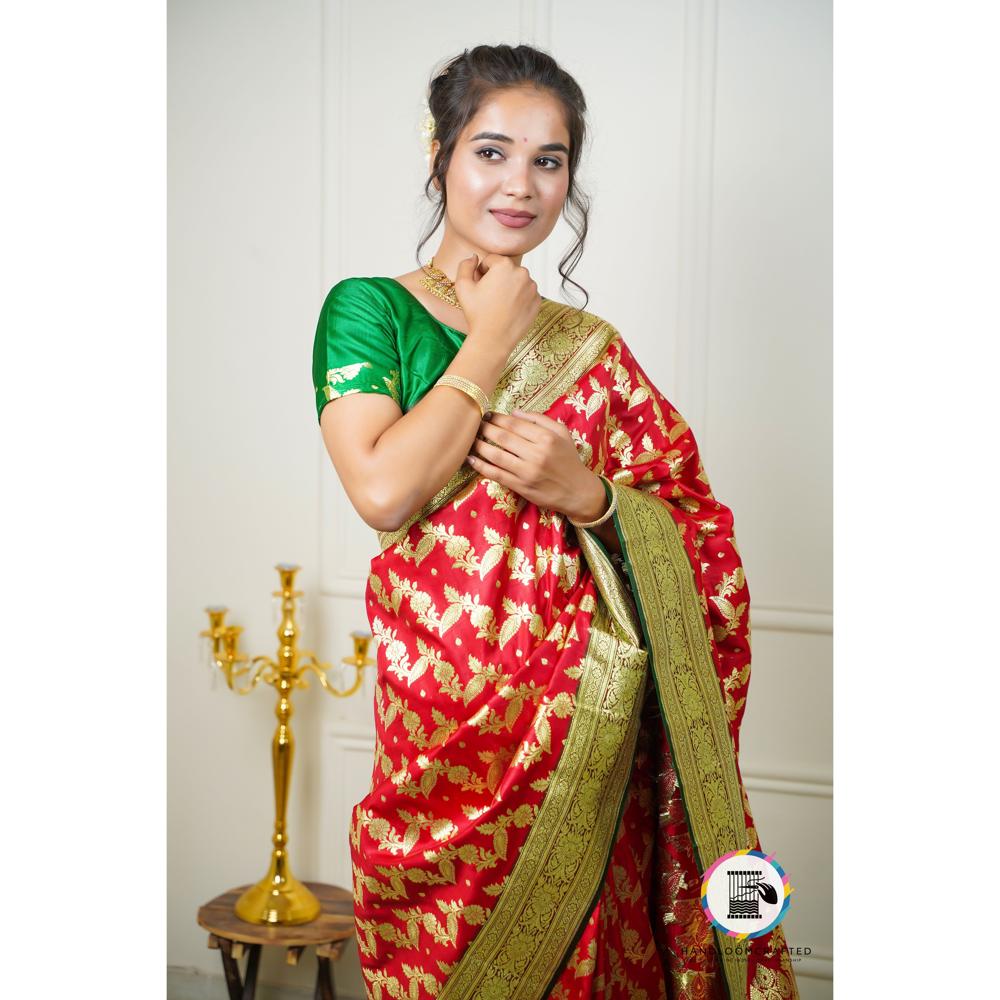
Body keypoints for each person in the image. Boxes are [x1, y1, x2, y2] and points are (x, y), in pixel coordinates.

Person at [312, 43, 799, 1000]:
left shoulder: (594, 353)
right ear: (439, 152)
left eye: (550, 160)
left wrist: (598, 500)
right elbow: (382, 491)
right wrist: (493, 334)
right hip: (447, 740)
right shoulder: (368, 311)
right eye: (492, 152)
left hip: (594, 743)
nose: (521, 185)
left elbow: (702, 540)